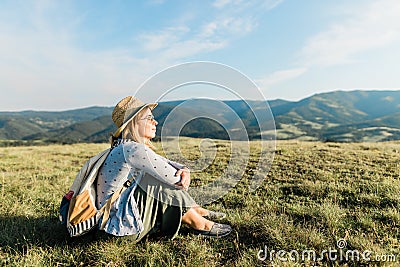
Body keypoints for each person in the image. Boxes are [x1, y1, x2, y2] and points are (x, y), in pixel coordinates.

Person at [96, 96, 232, 241]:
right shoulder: (133, 149)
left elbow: (165, 162)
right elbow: (173, 178)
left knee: (153, 177)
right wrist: (182, 175)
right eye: (149, 118)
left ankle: (194, 210)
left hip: (112, 221)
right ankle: (199, 223)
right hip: (117, 228)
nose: (155, 121)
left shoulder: (124, 146)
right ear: (135, 123)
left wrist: (185, 169)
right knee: (156, 182)